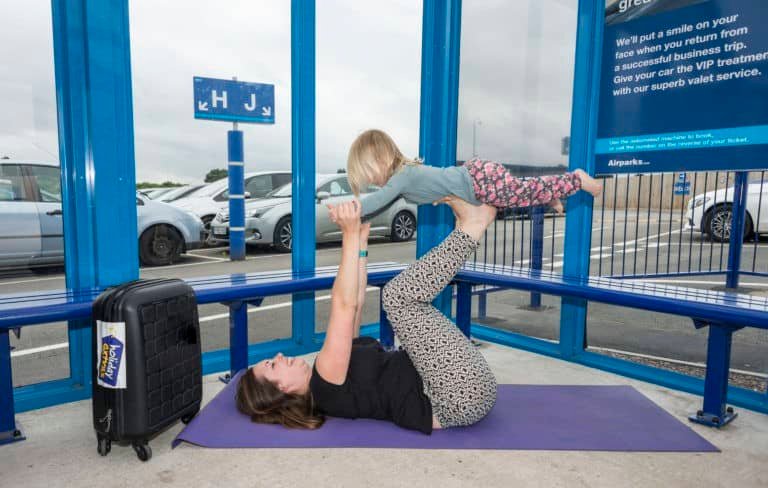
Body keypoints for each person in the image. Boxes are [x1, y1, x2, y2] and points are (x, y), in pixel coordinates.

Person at [235, 197, 499, 434]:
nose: (278, 357)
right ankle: (471, 228)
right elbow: (343, 305)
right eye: (271, 365)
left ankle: (469, 228)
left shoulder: (330, 374)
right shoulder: (324, 384)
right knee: (399, 298)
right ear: (282, 389)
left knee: (397, 298)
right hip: (454, 395)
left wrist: (360, 243)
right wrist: (347, 236)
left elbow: (356, 304)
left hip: (458, 385)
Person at [346, 129, 602, 221]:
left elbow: (377, 201)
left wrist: (348, 210)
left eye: (368, 173)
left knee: (516, 194)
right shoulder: (404, 177)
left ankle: (577, 179)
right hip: (477, 179)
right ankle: (548, 195)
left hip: (477, 180)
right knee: (519, 192)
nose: (370, 181)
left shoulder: (401, 176)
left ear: (381, 159)